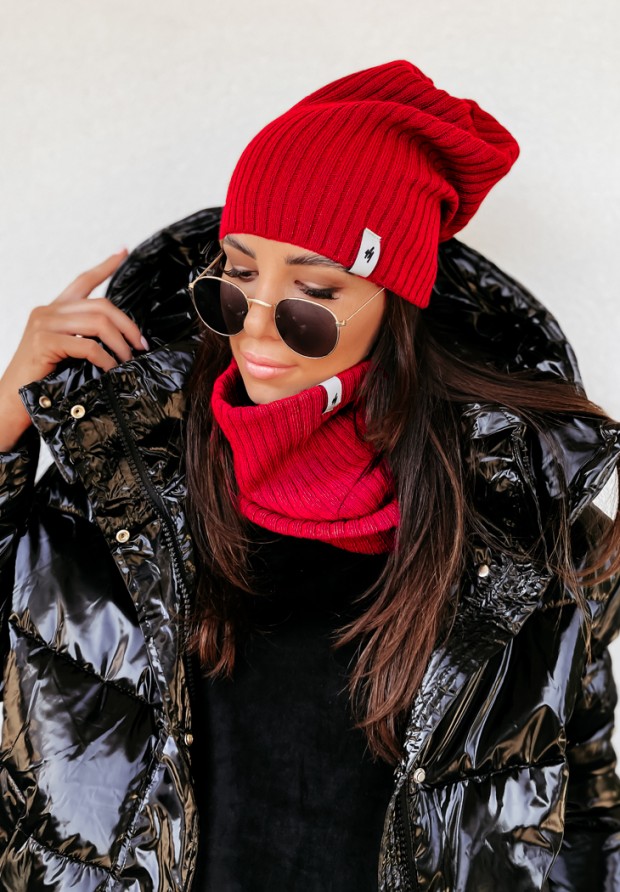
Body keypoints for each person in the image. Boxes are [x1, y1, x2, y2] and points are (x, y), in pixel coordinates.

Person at [0, 58, 619, 892]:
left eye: (312, 295)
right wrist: (7, 410)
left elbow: (581, 813)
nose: (256, 329)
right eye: (238, 278)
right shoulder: (117, 474)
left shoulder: (521, 534)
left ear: (394, 304)